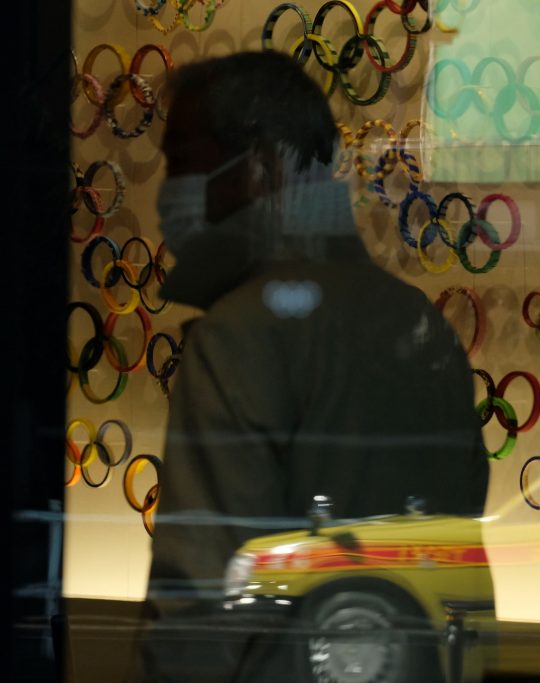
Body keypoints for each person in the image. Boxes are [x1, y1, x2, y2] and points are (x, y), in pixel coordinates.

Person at [131, 51, 490, 682]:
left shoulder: (242, 335)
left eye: (185, 161)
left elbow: (202, 608)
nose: (168, 191)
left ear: (265, 166)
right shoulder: (421, 325)